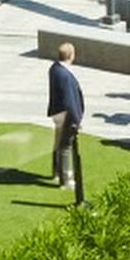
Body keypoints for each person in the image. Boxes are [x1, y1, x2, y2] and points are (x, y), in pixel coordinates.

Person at [47, 43, 84, 204]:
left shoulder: (54, 68)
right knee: (65, 147)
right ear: (71, 55)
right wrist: (76, 120)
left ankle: (56, 172)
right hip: (66, 116)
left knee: (59, 144)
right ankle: (65, 179)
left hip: (57, 113)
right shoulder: (65, 75)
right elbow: (70, 101)